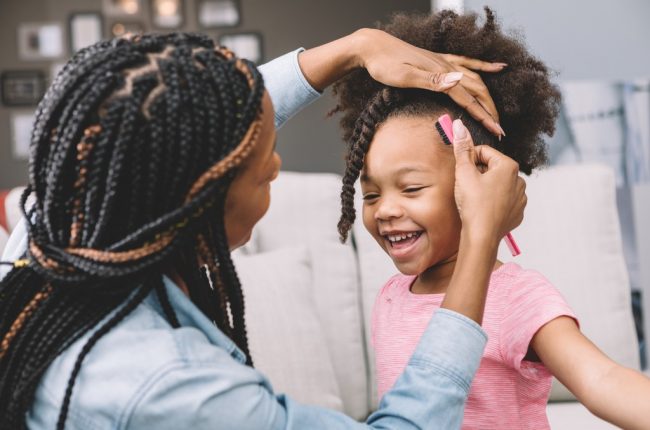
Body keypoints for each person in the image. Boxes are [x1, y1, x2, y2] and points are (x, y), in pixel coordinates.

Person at [0, 29, 525, 429]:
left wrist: (355, 48)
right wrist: (481, 236)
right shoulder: (169, 386)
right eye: (263, 168)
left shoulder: (55, 227)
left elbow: (191, 123)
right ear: (201, 200)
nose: (276, 166)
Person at [333, 8, 650, 430]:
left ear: (477, 182)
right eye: (371, 194)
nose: (385, 209)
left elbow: (601, 379)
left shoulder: (516, 296)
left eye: (411, 189)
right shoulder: (392, 295)